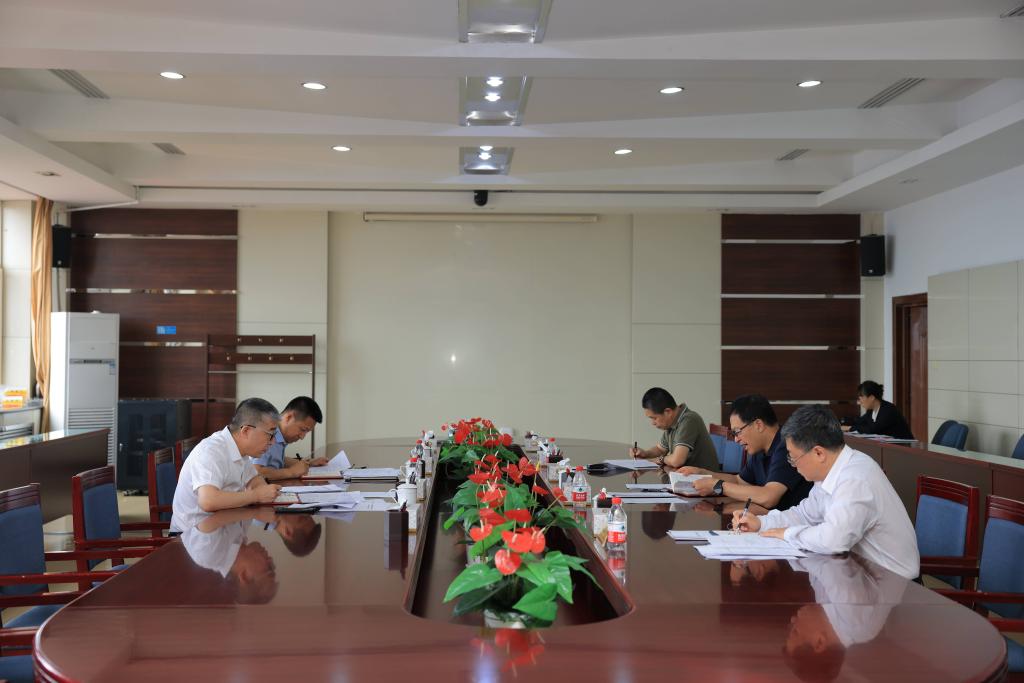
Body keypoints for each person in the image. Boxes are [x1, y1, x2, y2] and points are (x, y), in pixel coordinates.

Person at [732, 405, 919, 580]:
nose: (793, 465)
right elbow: (804, 515)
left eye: (793, 457)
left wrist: (787, 533)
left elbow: (834, 540)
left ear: (819, 453)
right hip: (859, 574)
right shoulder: (829, 473)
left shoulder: (855, 478)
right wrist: (761, 523)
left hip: (895, 585)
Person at [678, 394, 811, 510]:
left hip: (795, 525)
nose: (736, 439)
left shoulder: (787, 445)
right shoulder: (759, 449)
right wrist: (703, 473)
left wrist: (718, 486)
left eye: (737, 432)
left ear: (758, 425)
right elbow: (739, 481)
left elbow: (769, 497)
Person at [171, 398, 283, 532]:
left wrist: (264, 491)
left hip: (223, 526)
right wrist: (257, 495)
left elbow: (254, 479)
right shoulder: (211, 451)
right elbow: (208, 501)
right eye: (270, 434)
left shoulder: (241, 449)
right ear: (246, 431)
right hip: (192, 535)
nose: (273, 441)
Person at [629, 387, 719, 471]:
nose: (653, 423)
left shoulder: (689, 420)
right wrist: (645, 453)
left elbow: (677, 460)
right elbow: (660, 449)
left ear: (668, 412)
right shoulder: (671, 424)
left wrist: (658, 460)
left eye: (654, 418)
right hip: (687, 476)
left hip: (704, 479)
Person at [252, 396, 328, 481]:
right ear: (288, 417)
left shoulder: (279, 436)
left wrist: (309, 463)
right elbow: (256, 472)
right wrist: (291, 472)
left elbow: (277, 459)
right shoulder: (268, 434)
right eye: (303, 429)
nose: (302, 437)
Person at [843, 381, 914, 440]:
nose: (859, 402)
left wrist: (849, 428)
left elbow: (872, 429)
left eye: (861, 398)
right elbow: (859, 422)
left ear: (871, 397)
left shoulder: (888, 409)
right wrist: (841, 424)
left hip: (905, 447)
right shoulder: (871, 411)